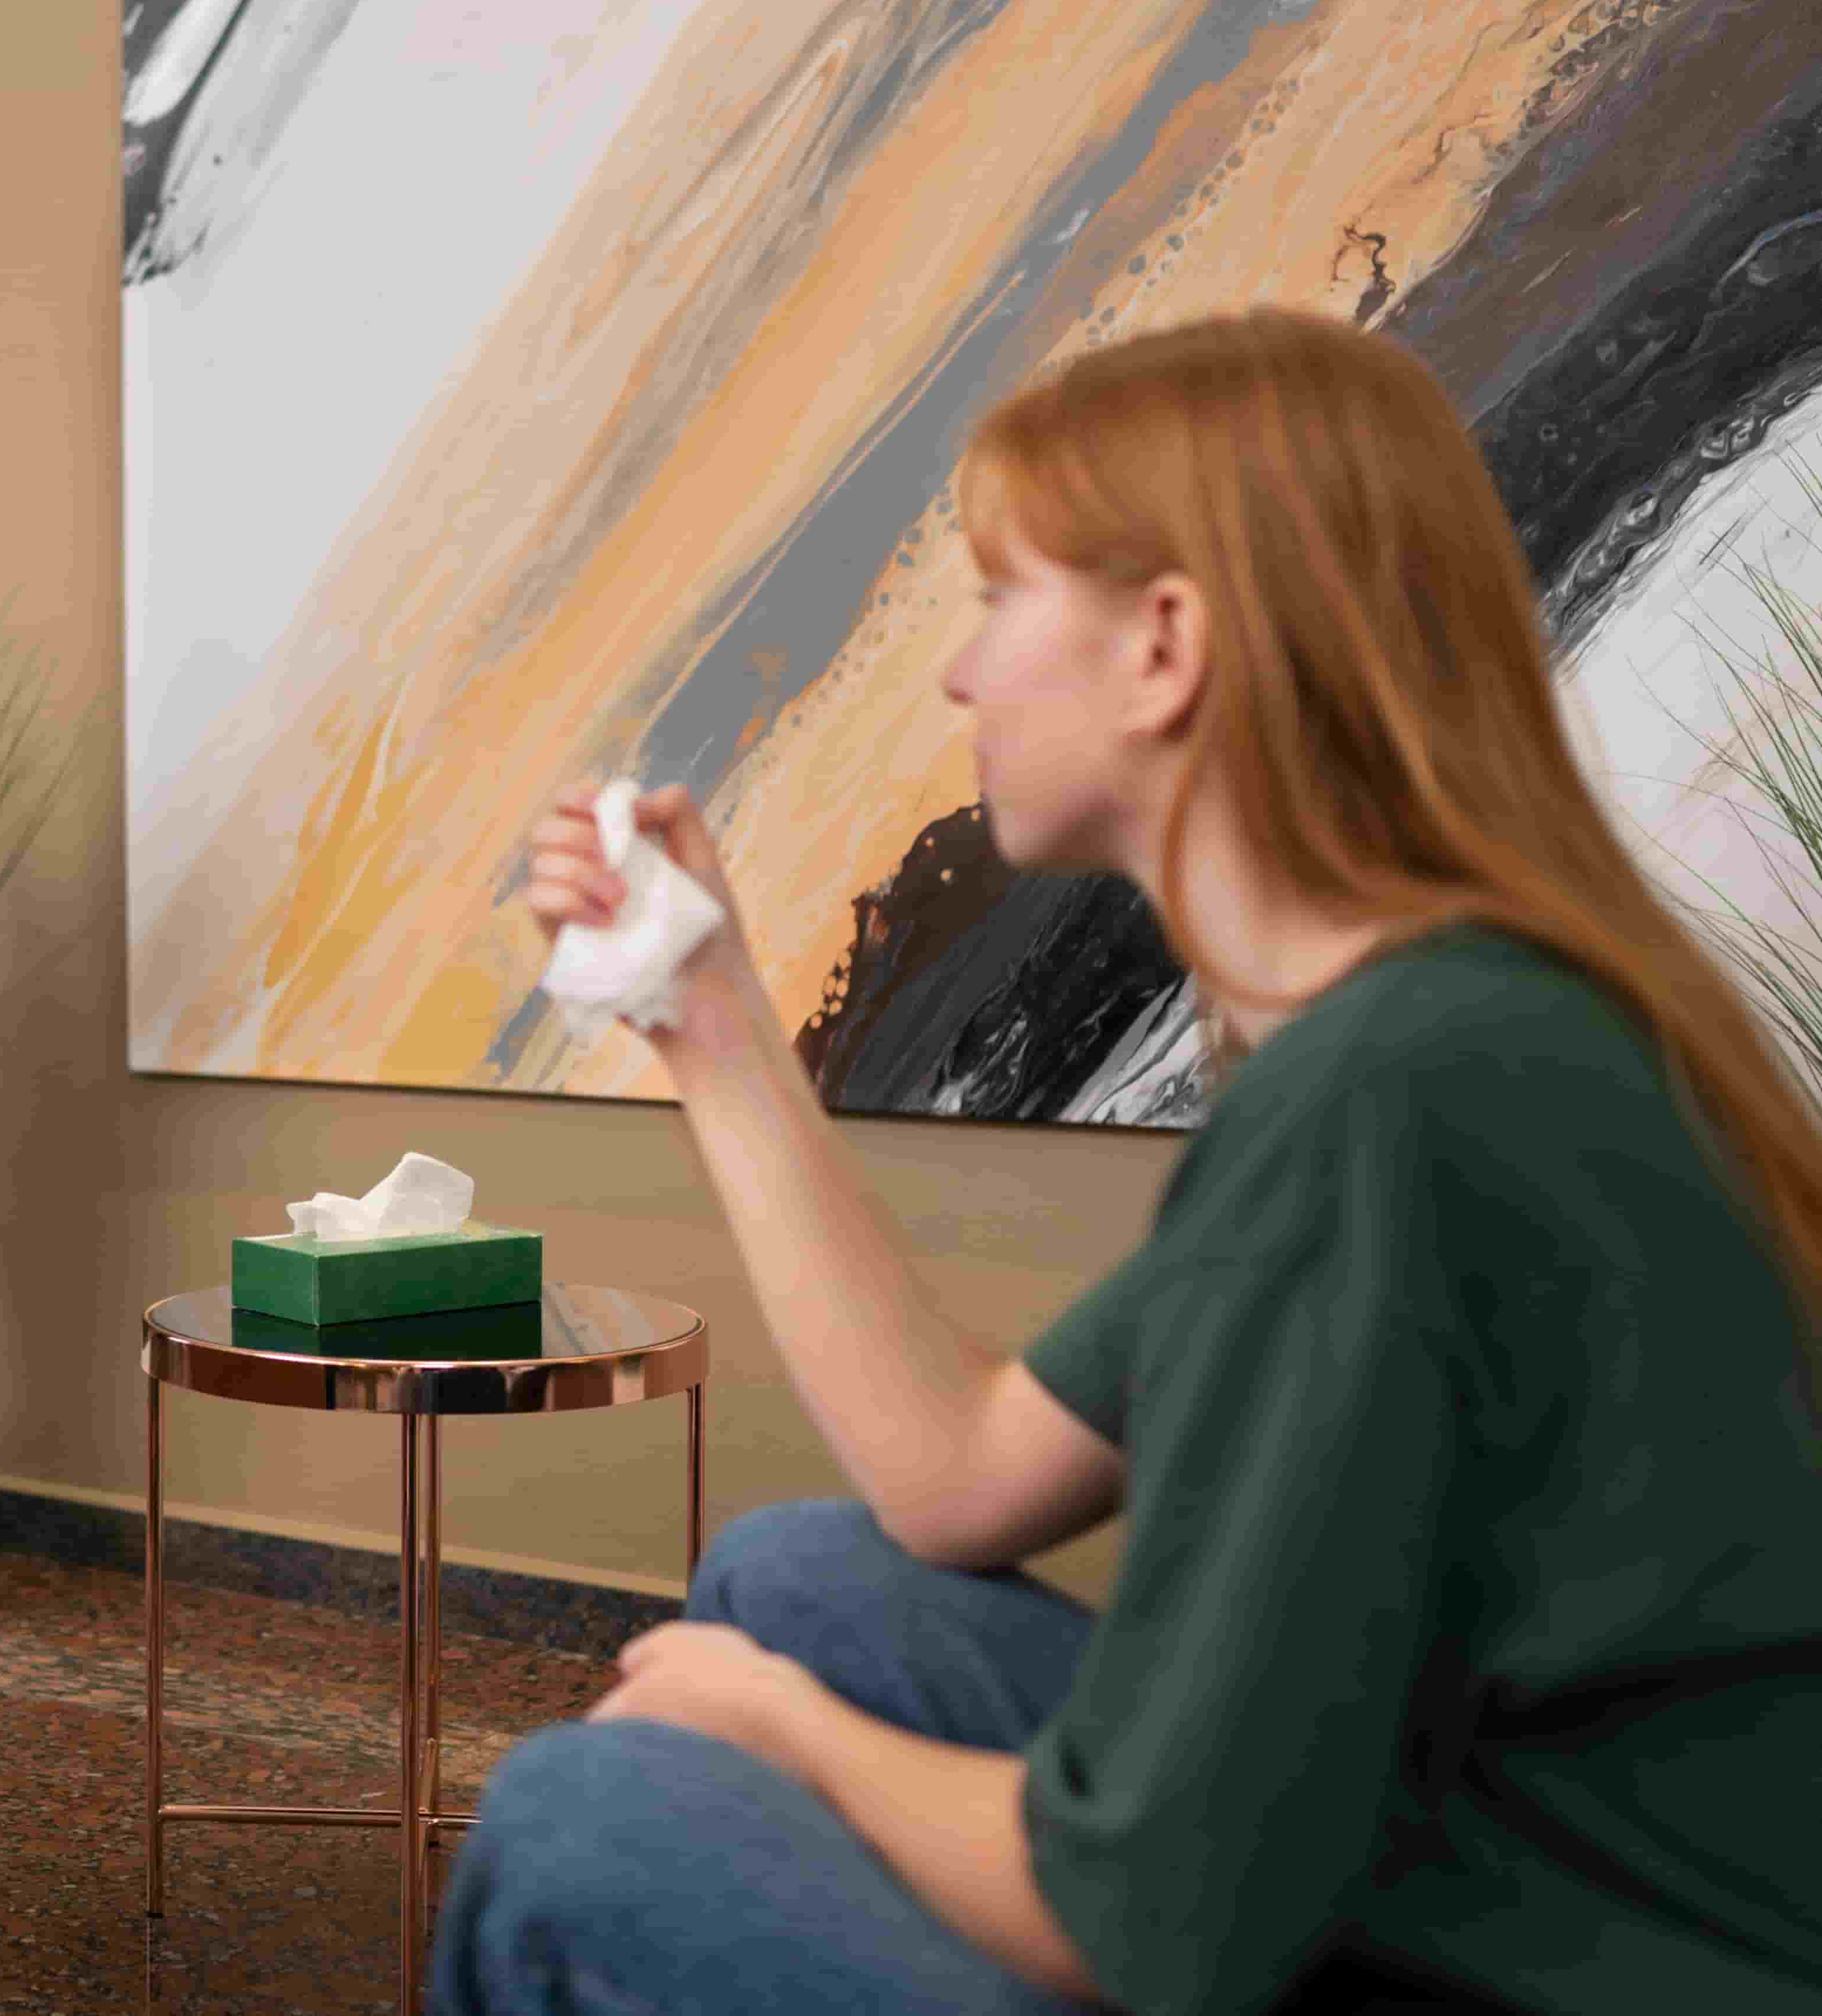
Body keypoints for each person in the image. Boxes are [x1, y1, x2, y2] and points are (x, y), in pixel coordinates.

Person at [445, 309, 1822, 2014]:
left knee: (577, 1824)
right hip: (1490, 1859)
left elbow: (1152, 1919)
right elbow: (960, 1476)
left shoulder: (1392, 1102)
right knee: (806, 1575)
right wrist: (705, 1013)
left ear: (1164, 646)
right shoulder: (1462, 1021)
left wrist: (781, 1729)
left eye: (994, 598)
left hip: (1583, 1966)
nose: (957, 675)